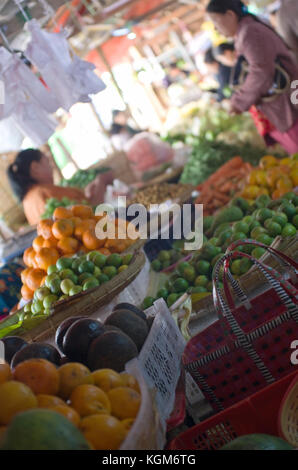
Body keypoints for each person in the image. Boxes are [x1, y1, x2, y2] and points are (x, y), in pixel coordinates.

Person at [206, 0, 298, 154]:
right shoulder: (246, 31)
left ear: (230, 14)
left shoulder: (250, 33)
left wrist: (239, 101)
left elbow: (261, 72)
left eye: (215, 21)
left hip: (288, 104)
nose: (215, 28)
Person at [7, 149, 113, 226]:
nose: (51, 167)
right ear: (35, 168)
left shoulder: (28, 200)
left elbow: (76, 211)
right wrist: (101, 182)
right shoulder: (46, 191)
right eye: (47, 162)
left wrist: (87, 193)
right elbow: (91, 212)